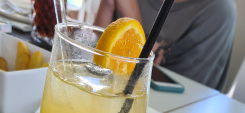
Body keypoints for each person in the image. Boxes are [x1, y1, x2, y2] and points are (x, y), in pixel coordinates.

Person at [94, 0, 237, 91]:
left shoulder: (217, 11)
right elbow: (95, 60)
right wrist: (107, 5)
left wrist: (132, 16)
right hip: (108, 95)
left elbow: (184, 95)